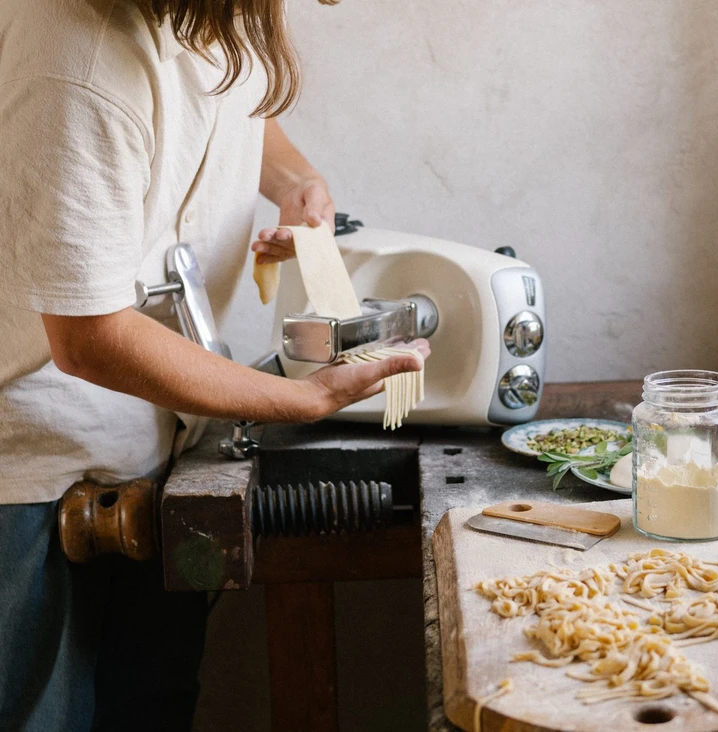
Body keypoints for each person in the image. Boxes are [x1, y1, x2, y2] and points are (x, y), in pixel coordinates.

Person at [0, 1, 429, 730]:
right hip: (35, 469)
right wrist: (299, 399)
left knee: (153, 709)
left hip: (160, 434)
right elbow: (87, 335)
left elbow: (233, 100)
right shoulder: (74, 50)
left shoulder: (209, 7)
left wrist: (296, 182)